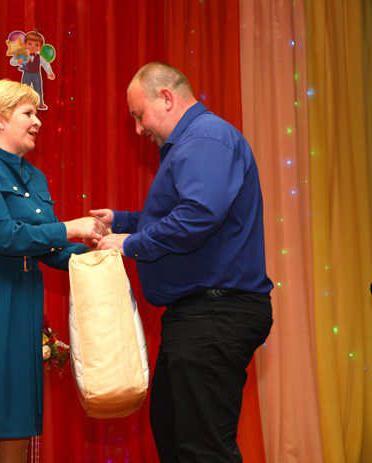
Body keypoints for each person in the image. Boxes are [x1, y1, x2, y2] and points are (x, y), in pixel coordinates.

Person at [94, 62, 274, 462]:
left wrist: (131, 244)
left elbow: (197, 217)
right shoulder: (196, 141)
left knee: (201, 448)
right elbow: (181, 216)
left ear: (166, 98)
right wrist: (121, 222)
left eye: (139, 115)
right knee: (175, 433)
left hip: (216, 311)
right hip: (201, 313)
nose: (138, 129)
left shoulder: (206, 137)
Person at [0, 79, 106, 463]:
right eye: (28, 113)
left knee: (19, 427)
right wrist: (69, 227)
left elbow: (49, 248)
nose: (38, 122)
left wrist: (97, 254)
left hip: (24, 296)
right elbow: (4, 237)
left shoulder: (34, 176)